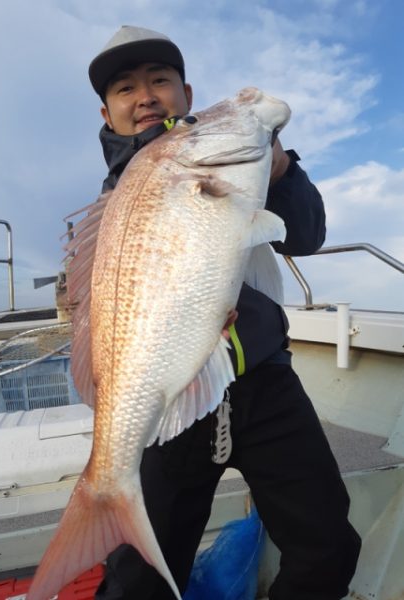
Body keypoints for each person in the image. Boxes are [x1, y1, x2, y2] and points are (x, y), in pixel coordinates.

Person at [88, 25, 361, 600]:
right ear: (108, 112)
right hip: (170, 407)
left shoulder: (233, 166)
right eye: (125, 88)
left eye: (159, 80)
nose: (145, 96)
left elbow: (304, 235)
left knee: (329, 545)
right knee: (138, 581)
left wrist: (282, 168)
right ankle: (107, 497)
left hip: (264, 384)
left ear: (186, 93)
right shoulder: (114, 205)